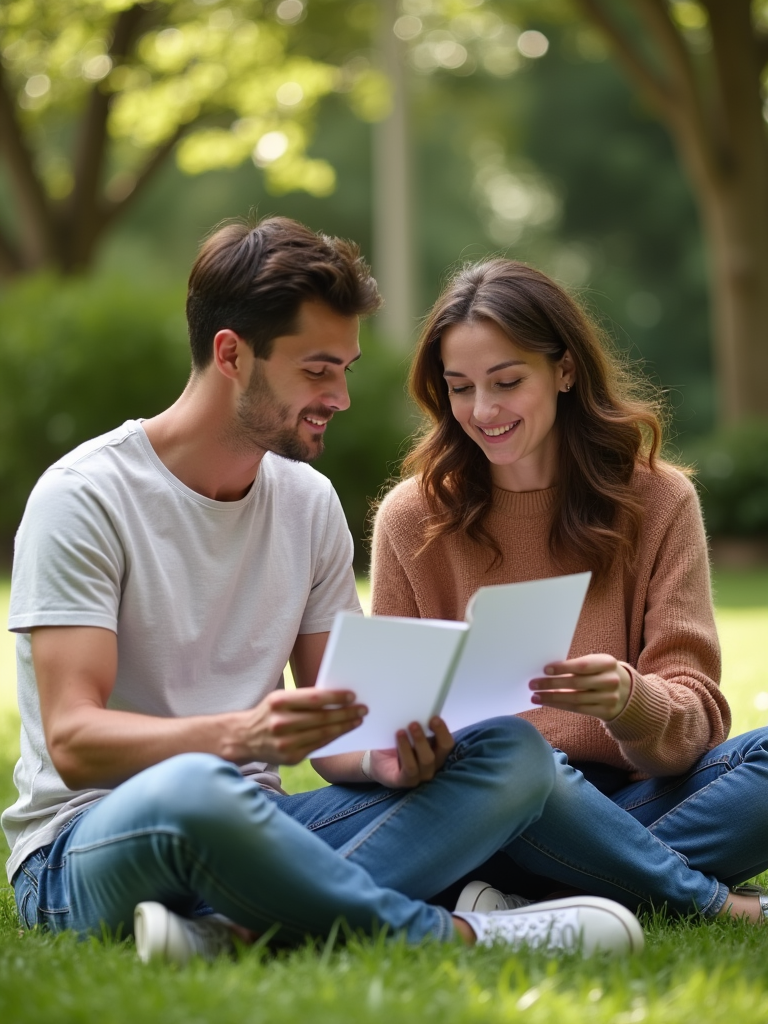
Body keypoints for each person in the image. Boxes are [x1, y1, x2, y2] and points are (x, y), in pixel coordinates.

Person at [3, 219, 645, 965]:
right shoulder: (85, 498)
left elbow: (342, 726)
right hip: (89, 844)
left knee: (512, 753)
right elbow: (75, 743)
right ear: (232, 354)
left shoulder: (307, 503)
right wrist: (237, 738)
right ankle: (468, 933)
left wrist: (384, 762)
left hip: (262, 825)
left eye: (345, 367)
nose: (339, 396)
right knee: (200, 789)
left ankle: (229, 929)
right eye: (316, 370)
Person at [371, 258, 768, 924]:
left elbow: (696, 717)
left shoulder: (658, 500)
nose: (483, 410)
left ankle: (534, 904)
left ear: (564, 370)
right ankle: (693, 900)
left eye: (506, 382)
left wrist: (629, 700)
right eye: (460, 388)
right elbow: (389, 720)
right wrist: (408, 745)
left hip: (628, 803)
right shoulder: (413, 518)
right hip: (483, 811)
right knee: (522, 766)